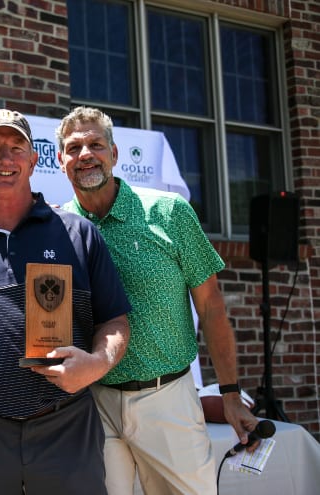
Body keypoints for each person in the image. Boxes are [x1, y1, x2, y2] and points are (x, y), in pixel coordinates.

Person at [0, 109, 132, 495]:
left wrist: (97, 363)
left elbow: (115, 320)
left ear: (33, 159)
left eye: (17, 147)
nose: (6, 158)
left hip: (65, 425)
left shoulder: (78, 234)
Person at [55, 106, 260, 495]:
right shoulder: (60, 228)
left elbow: (212, 307)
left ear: (114, 154)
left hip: (166, 400)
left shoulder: (169, 212)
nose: (85, 154)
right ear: (61, 161)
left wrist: (230, 394)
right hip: (94, 406)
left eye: (95, 144)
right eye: (73, 147)